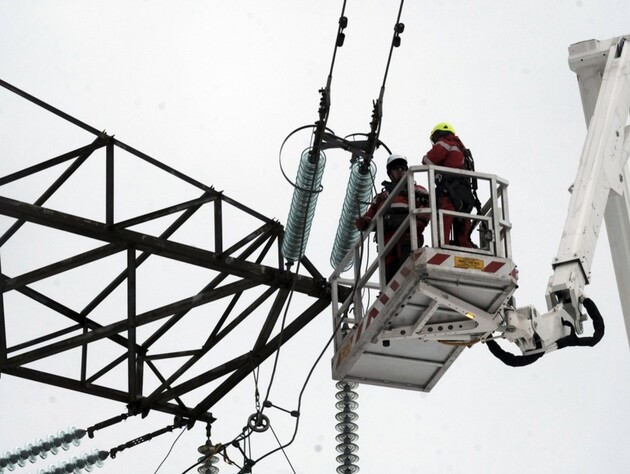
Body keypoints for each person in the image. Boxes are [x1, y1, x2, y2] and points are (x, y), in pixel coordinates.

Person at [355, 154, 429, 283]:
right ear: (390, 173)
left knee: (407, 266)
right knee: (389, 274)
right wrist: (364, 221)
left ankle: (411, 281)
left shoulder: (417, 190)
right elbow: (371, 213)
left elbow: (427, 209)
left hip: (407, 234)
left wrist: (416, 225)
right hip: (387, 240)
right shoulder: (382, 196)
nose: (400, 170)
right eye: (396, 168)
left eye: (402, 167)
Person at [422, 122, 477, 248]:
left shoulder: (444, 143)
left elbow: (428, 160)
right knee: (463, 218)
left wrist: (425, 158)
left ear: (438, 134)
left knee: (445, 216)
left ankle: (442, 245)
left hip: (449, 189)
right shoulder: (462, 150)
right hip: (465, 191)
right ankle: (464, 244)